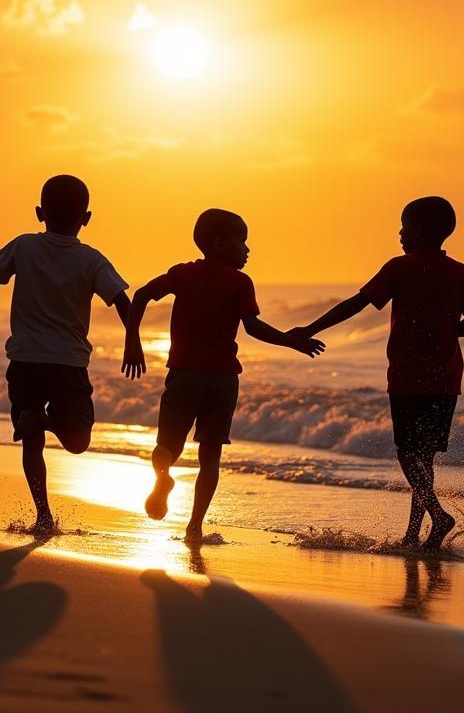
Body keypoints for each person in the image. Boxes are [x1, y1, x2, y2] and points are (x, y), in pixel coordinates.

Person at [122, 209, 324, 547]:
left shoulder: (182, 274)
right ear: (220, 243)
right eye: (242, 242)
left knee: (166, 447)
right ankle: (195, 527)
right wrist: (292, 341)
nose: (247, 249)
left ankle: (162, 477)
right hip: (222, 381)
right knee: (210, 457)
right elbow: (253, 327)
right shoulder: (240, 282)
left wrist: (133, 344)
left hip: (184, 376)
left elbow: (141, 295)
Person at [292, 196, 464, 549]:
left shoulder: (399, 267)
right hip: (445, 379)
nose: (399, 233)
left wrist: (310, 329)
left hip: (408, 378)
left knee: (406, 453)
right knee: (423, 457)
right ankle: (414, 534)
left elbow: (356, 303)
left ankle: (438, 516)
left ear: (419, 231)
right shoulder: (458, 271)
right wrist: (443, 332)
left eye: (404, 226)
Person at [0, 175, 130, 536]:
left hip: (25, 360)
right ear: (86, 218)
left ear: (40, 213)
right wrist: (132, 339)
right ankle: (42, 505)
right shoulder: (91, 259)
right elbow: (120, 298)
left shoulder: (23, 246)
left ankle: (43, 512)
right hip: (68, 364)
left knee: (32, 438)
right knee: (79, 441)